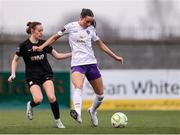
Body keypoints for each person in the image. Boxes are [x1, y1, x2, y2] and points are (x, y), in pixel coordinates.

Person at [33, 8, 123, 127]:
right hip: (77, 64)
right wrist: (41, 47)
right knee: (78, 87)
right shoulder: (70, 26)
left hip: (91, 64)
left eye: (91, 22)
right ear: (81, 18)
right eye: (87, 21)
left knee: (100, 95)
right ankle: (77, 112)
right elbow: (54, 37)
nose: (89, 24)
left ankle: (92, 111)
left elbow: (101, 45)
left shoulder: (91, 29)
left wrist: (115, 56)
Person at [8, 21, 72, 128]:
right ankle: (30, 104)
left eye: (42, 30)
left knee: (52, 97)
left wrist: (73, 54)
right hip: (32, 76)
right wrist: (13, 74)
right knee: (38, 100)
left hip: (45, 74)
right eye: (39, 30)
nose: (41, 33)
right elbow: (15, 60)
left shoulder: (44, 44)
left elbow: (58, 56)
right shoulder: (23, 45)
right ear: (33, 31)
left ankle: (58, 121)